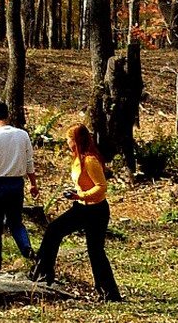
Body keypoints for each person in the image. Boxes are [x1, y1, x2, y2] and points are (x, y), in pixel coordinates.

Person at [30, 124, 121, 302]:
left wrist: (81, 195)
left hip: (95, 210)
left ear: (76, 141)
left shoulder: (90, 160)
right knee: (53, 231)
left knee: (95, 251)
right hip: (81, 207)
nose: (67, 143)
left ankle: (109, 294)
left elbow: (102, 187)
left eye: (69, 139)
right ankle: (42, 273)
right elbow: (85, 182)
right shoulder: (77, 159)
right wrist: (76, 192)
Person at [0, 101, 39, 273]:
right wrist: (33, 184)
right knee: (16, 222)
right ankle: (26, 248)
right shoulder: (22, 135)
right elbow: (29, 163)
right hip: (17, 183)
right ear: (8, 115)